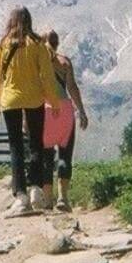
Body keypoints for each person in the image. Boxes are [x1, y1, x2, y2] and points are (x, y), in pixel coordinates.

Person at [0, 6, 61, 216]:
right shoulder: (38, 45)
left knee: (15, 146)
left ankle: (20, 195)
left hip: (10, 100)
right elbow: (47, 76)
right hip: (35, 99)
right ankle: (36, 188)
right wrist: (54, 102)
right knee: (36, 143)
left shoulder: (2, 45)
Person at [39, 30, 89, 212]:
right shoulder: (65, 61)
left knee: (46, 157)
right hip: (66, 110)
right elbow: (72, 87)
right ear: (57, 43)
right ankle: (63, 198)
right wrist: (81, 111)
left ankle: (46, 200)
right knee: (65, 155)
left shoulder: (38, 62)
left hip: (45, 110)